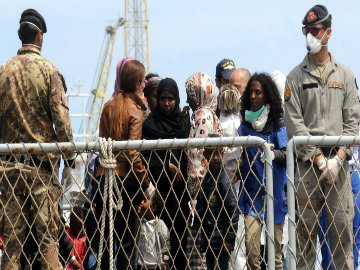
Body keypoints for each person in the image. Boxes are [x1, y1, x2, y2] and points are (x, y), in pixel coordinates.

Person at [284, 5, 360, 270]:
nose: (310, 36)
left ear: (328, 33)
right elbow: (295, 122)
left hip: (338, 167)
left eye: (315, 31)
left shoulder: (346, 76)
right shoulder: (294, 77)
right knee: (305, 237)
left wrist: (338, 159)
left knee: (342, 234)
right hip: (307, 166)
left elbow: (353, 121)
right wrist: (317, 158)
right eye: (306, 30)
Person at [0, 9, 75, 270]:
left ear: (20, 35)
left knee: (11, 245)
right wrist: (71, 157)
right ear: (40, 36)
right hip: (41, 171)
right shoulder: (49, 72)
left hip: (8, 169)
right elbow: (62, 122)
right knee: (47, 242)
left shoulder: (2, 73)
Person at [94, 59, 153, 270]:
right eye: (143, 80)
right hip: (125, 183)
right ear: (138, 82)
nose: (145, 85)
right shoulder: (136, 111)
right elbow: (132, 153)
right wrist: (146, 182)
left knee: (106, 244)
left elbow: (102, 145)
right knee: (128, 244)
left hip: (102, 180)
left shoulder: (107, 108)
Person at [238, 73, 288, 270]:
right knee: (252, 255)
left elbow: (287, 156)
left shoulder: (277, 125)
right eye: (250, 92)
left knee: (275, 258)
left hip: (274, 197)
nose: (252, 96)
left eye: (257, 92)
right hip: (252, 197)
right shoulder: (244, 127)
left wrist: (272, 154)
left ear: (266, 96)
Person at [142, 77, 189, 270]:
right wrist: (166, 166)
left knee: (179, 247)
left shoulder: (182, 123)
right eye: (162, 98)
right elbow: (144, 158)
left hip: (179, 195)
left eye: (171, 99)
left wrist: (186, 129)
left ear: (177, 99)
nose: (167, 103)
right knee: (155, 249)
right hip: (158, 195)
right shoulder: (149, 125)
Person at [185, 72, 223, 269]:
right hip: (209, 189)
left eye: (190, 94)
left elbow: (198, 158)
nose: (187, 100)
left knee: (198, 249)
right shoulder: (211, 114)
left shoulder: (201, 116)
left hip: (200, 191)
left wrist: (195, 195)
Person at [198, 138, 239, 270]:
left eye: (219, 153)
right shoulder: (208, 178)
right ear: (205, 155)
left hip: (222, 240)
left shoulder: (224, 179)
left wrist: (229, 239)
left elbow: (232, 209)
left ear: (223, 153)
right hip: (209, 239)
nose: (215, 158)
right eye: (211, 153)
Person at [218, 84, 246, 270]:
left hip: (221, 180)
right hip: (238, 180)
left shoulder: (218, 124)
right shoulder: (241, 125)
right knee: (239, 233)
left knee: (223, 231)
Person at [137, 191, 171, 270]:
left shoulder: (160, 224)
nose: (142, 203)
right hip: (141, 266)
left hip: (156, 266)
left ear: (154, 208)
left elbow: (166, 247)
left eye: (145, 201)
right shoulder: (140, 223)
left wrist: (165, 263)